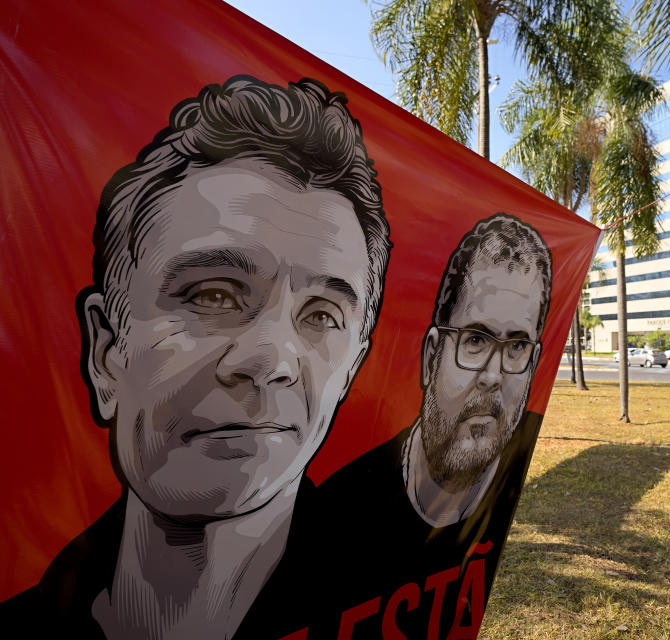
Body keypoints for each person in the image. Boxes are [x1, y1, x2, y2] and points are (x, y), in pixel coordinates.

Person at [0, 75, 392, 640]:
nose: (271, 358)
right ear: (107, 349)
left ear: (352, 365)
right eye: (213, 295)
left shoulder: (390, 594)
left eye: (322, 315)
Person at [321, 213, 552, 639]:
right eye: (476, 340)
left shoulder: (512, 466)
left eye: (517, 346)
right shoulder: (329, 521)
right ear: (431, 356)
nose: (492, 375)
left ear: (534, 364)